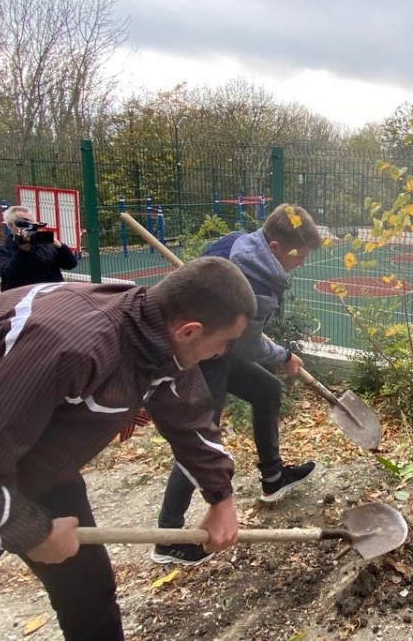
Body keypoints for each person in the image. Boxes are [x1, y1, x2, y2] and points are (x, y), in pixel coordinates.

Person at [0, 257, 256, 640]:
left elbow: (189, 417)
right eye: (223, 344)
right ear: (188, 330)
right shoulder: (69, 345)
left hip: (31, 463)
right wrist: (31, 531)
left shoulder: (156, 339)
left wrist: (221, 497)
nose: (220, 355)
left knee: (90, 594)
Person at [152, 203, 323, 566]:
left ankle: (273, 477)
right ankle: (167, 536)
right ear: (275, 248)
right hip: (203, 356)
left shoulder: (239, 243)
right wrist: (284, 355)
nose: (302, 263)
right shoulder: (258, 282)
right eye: (299, 256)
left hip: (222, 351)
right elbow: (249, 345)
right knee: (201, 439)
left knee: (267, 390)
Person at [0, 205, 78, 291]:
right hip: (21, 297)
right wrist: (23, 250)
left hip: (52, 296)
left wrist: (60, 246)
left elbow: (70, 264)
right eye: (24, 223)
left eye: (32, 224)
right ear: (11, 225)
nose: (29, 228)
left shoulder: (45, 244)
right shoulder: (1, 249)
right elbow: (8, 275)